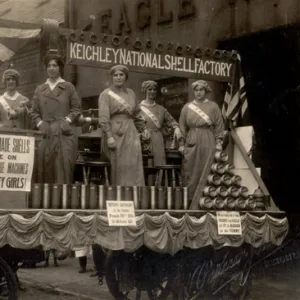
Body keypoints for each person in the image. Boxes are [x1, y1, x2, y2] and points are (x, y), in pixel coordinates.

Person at [30, 51, 81, 184]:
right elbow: (34, 112)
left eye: (55, 65)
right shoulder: (40, 89)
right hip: (45, 132)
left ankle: (63, 201)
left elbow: (76, 109)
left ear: (60, 68)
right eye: (49, 66)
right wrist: (40, 123)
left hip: (63, 133)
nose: (52, 68)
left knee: (63, 168)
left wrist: (67, 121)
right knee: (44, 167)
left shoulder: (68, 87)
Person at [98, 65, 150, 186]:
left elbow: (137, 113)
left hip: (131, 131)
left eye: (121, 75)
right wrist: (109, 136)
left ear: (126, 77)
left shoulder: (131, 93)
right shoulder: (105, 94)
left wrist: (144, 128)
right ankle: (118, 196)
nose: (118, 77)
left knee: (133, 163)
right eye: (115, 75)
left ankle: (133, 194)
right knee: (118, 165)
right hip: (115, 132)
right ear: (112, 77)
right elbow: (104, 117)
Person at [179, 80, 224, 201]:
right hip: (192, 139)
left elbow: (219, 125)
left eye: (201, 90)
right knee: (191, 170)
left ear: (206, 91)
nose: (198, 93)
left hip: (208, 139)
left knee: (208, 169)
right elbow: (182, 127)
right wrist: (181, 144)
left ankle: (209, 200)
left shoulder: (213, 106)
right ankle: (190, 200)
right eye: (196, 90)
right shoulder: (187, 107)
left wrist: (219, 142)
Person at [140, 80, 182, 166]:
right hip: (143, 139)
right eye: (149, 89)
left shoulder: (161, 109)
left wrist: (176, 128)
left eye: (154, 89)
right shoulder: (138, 108)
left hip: (157, 139)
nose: (152, 92)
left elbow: (172, 122)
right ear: (145, 90)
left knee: (158, 164)